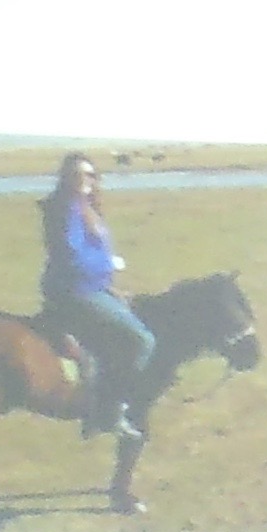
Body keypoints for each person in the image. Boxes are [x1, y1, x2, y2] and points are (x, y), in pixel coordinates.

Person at [39, 153, 153, 441]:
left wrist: (109, 282)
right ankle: (111, 412)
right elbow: (70, 254)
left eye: (90, 174)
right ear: (66, 179)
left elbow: (95, 250)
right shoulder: (65, 210)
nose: (85, 180)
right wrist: (104, 270)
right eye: (77, 174)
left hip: (93, 286)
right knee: (142, 340)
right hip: (75, 291)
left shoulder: (86, 207)